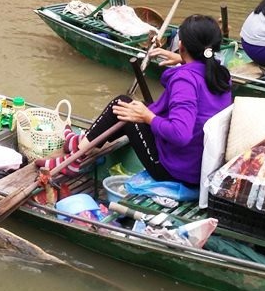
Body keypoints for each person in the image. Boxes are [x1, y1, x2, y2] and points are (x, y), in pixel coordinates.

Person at [36, 15, 233, 186]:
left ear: (181, 45)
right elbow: (201, 69)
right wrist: (182, 59)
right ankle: (80, 145)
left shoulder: (185, 80)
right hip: (196, 167)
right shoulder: (221, 73)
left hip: (174, 171)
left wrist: (148, 117)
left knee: (123, 105)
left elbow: (180, 134)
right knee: (134, 108)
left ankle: (76, 156)